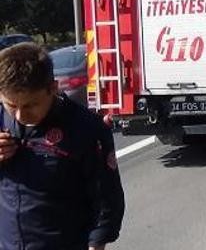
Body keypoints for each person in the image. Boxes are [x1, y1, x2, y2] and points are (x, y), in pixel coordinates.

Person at [0, 43, 125, 250]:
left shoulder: (85, 128)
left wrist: (97, 244)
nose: (20, 116)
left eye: (30, 105)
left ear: (53, 88)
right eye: (11, 105)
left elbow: (107, 198)